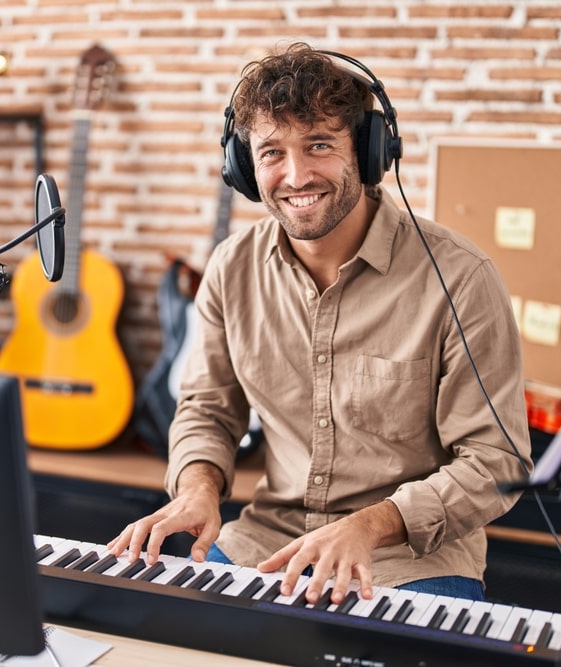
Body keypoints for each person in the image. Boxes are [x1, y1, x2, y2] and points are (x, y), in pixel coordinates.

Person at [108, 42, 532, 607]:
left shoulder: (461, 278)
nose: (296, 175)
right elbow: (207, 409)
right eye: (272, 153)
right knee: (151, 627)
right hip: (270, 542)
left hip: (408, 558)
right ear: (243, 165)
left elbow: (496, 461)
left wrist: (369, 525)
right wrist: (197, 488)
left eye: (319, 145)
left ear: (367, 150)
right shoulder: (230, 269)